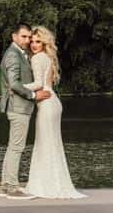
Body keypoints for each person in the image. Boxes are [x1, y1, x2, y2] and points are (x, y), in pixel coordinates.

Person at [22, 26, 85, 199]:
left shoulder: (37, 58)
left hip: (47, 104)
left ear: (44, 43)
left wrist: (16, 88)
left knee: (45, 144)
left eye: (38, 41)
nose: (34, 45)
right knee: (51, 144)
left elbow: (38, 85)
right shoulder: (48, 57)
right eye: (32, 41)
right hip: (53, 102)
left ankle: (46, 186)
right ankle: (53, 183)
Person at [0, 23, 51, 199]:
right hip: (18, 107)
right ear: (14, 37)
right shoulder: (13, 55)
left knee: (12, 147)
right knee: (16, 148)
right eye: (24, 36)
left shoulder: (19, 54)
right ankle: (12, 188)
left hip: (17, 107)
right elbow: (14, 84)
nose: (28, 40)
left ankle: (5, 185)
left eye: (29, 37)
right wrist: (33, 95)